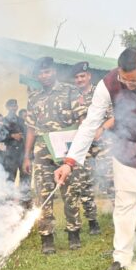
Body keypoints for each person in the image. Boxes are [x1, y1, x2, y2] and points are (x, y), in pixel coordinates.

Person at [55, 47, 136, 270]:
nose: (128, 84)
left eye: (134, 81)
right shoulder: (107, 84)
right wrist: (69, 161)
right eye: (123, 79)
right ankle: (121, 256)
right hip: (127, 145)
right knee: (124, 203)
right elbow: (90, 124)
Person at [23, 57, 86, 254]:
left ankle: (73, 232)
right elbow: (31, 129)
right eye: (41, 73)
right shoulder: (34, 98)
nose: (45, 75)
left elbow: (83, 120)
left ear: (54, 72)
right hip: (42, 152)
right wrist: (26, 156)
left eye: (48, 71)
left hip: (65, 151)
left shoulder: (70, 91)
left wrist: (79, 149)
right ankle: (46, 236)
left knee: (70, 192)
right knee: (43, 194)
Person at [70, 61, 114, 235]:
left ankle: (120, 218)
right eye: (77, 77)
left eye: (82, 76)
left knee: (111, 182)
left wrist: (101, 129)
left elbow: (114, 117)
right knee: (84, 184)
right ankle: (92, 221)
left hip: (104, 146)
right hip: (85, 149)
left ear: (89, 76)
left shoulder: (101, 93)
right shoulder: (73, 98)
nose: (79, 80)